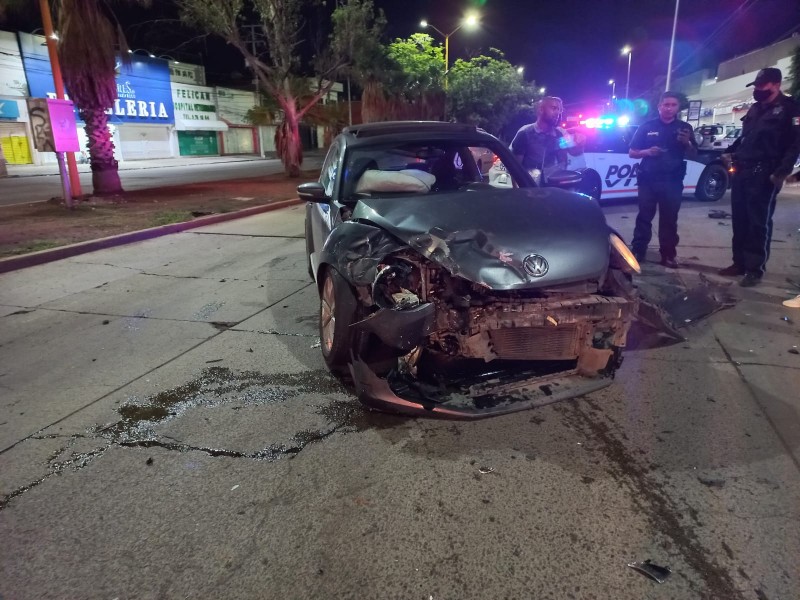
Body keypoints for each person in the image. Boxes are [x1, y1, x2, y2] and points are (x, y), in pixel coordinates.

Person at [718, 68, 800, 287]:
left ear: (776, 85)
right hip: (743, 170)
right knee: (740, 220)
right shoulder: (755, 108)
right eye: (756, 85)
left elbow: (795, 144)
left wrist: (781, 173)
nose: (758, 89)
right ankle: (739, 263)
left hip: (765, 172)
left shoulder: (790, 109)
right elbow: (745, 138)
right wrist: (730, 152)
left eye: (762, 86)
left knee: (758, 222)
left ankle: (755, 269)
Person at [628, 92, 698, 268]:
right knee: (644, 217)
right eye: (666, 104)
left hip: (672, 181)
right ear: (659, 106)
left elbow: (694, 154)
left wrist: (687, 143)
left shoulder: (685, 127)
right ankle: (638, 250)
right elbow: (632, 152)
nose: (669, 108)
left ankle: (668, 255)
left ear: (678, 107)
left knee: (669, 219)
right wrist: (647, 152)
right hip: (648, 180)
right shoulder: (646, 126)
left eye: (673, 105)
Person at [510, 96, 585, 184]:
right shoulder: (525, 133)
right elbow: (515, 168)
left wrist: (580, 142)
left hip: (556, 187)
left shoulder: (560, 134)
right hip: (532, 188)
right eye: (554, 108)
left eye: (559, 110)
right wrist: (518, 189)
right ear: (541, 110)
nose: (557, 113)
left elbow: (574, 152)